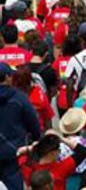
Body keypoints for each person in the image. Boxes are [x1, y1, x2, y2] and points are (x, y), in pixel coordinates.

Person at [0, 62, 42, 190]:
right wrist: (36, 140)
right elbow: (34, 123)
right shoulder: (20, 98)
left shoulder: (19, 97)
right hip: (14, 152)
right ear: (8, 77)